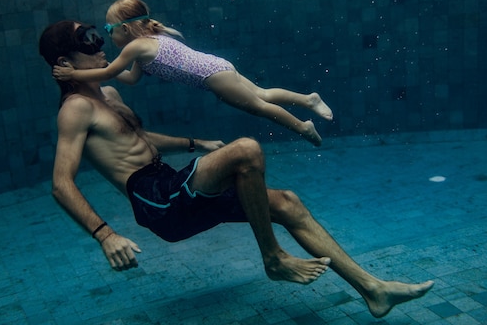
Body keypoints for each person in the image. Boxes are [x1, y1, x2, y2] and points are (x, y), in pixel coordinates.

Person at [39, 19, 433, 319]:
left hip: (170, 184)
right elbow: (61, 184)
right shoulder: (76, 109)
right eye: (87, 41)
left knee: (287, 203)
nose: (100, 44)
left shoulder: (108, 93)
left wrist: (196, 144)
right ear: (64, 62)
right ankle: (274, 259)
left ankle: (373, 290)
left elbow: (136, 138)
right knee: (246, 150)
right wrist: (105, 235)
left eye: (96, 34)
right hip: (156, 201)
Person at [52, 0, 333, 146]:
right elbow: (130, 78)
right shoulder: (147, 45)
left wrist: (74, 75)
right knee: (263, 93)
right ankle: (308, 99)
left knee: (258, 106)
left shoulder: (136, 47)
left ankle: (302, 127)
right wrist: (103, 71)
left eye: (108, 30)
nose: (108, 36)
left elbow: (110, 73)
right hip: (218, 67)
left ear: (124, 29)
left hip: (212, 77)